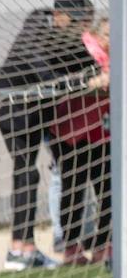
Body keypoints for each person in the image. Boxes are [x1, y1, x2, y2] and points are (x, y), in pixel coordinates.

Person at [0, 0, 98, 270]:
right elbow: (37, 62)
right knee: (26, 171)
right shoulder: (37, 23)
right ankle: (20, 249)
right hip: (14, 107)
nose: (82, 27)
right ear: (59, 16)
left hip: (43, 110)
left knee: (68, 171)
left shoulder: (71, 37)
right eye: (77, 21)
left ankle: (60, 245)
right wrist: (69, 83)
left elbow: (85, 63)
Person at [49, 14, 111, 265]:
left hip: (101, 132)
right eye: (107, 34)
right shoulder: (83, 48)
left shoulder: (113, 54)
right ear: (96, 33)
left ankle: (103, 245)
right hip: (71, 132)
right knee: (73, 189)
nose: (111, 40)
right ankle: (71, 247)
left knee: (107, 189)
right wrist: (96, 82)